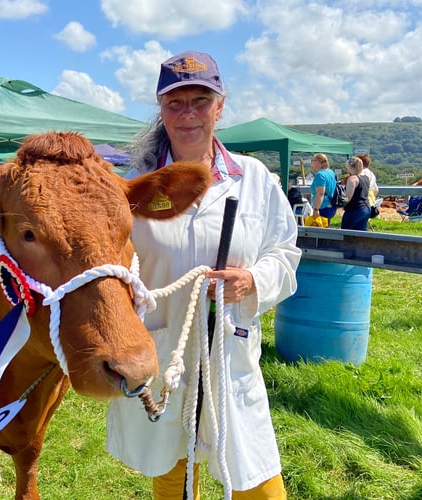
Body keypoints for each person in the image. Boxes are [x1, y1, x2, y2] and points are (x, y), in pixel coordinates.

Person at [106, 50, 300, 499]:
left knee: (256, 476)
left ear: (220, 106)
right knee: (172, 469)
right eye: (175, 102)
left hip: (228, 350)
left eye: (200, 100)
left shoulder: (255, 181)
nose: (187, 114)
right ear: (161, 109)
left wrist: (253, 281)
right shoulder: (133, 186)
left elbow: (285, 253)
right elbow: (111, 261)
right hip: (164, 347)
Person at [340, 157, 371, 230]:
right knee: (361, 232)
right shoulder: (365, 178)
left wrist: (340, 204)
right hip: (366, 208)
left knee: (346, 231)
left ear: (350, 166)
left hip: (354, 209)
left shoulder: (352, 179)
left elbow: (348, 197)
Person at [309, 153, 337, 224]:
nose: (312, 163)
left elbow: (320, 193)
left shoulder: (320, 175)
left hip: (323, 206)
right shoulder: (330, 172)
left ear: (319, 162)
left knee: (319, 231)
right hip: (331, 205)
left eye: (313, 160)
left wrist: (316, 209)